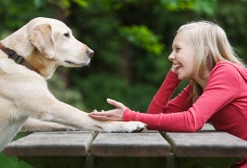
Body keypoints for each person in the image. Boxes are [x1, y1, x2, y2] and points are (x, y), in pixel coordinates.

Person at [88, 21, 247, 168]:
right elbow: (154, 116)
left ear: (204, 51)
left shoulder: (226, 72)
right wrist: (173, 76)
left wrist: (128, 116)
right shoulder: (198, 86)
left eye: (178, 49)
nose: (171, 56)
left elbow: (191, 122)